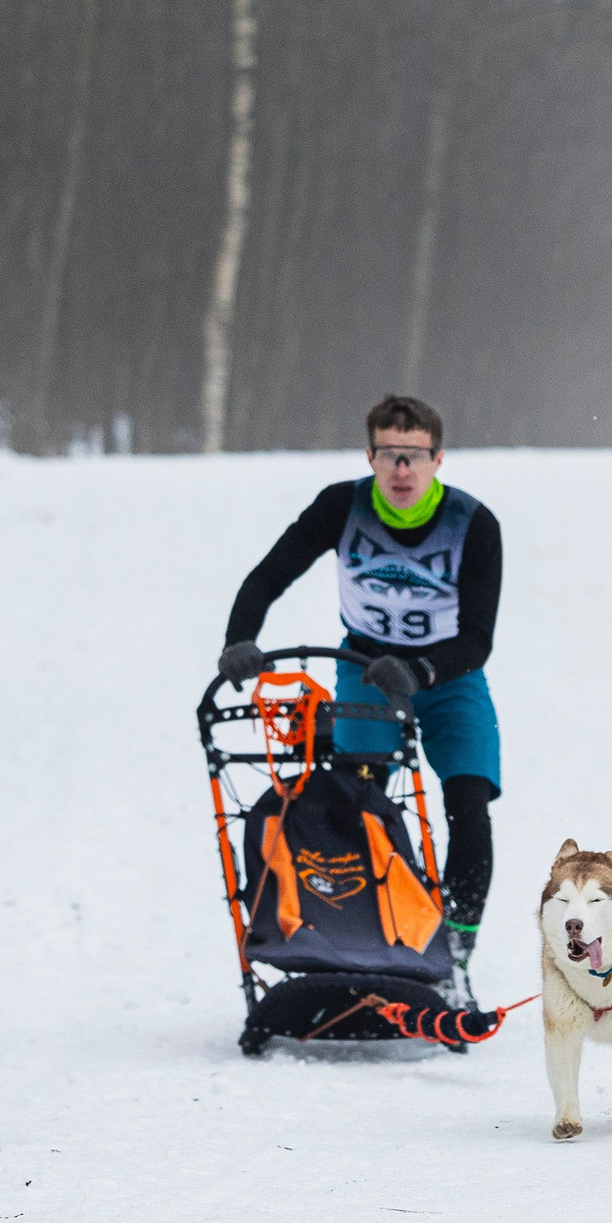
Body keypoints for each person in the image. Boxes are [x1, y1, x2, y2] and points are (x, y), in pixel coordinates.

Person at [216, 394, 500, 1010]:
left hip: (447, 675)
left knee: (469, 804)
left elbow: (479, 638)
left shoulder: (473, 524)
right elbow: (270, 575)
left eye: (415, 456)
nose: (402, 470)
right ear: (369, 457)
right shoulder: (339, 507)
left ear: (438, 459)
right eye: (390, 456)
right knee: (359, 802)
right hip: (367, 671)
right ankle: (362, 940)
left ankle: (453, 952)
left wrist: (422, 670)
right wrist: (240, 640)